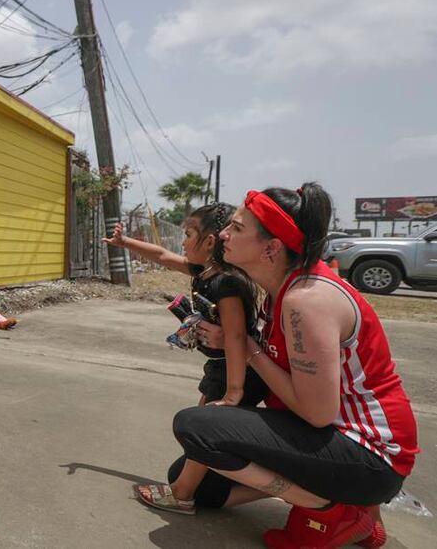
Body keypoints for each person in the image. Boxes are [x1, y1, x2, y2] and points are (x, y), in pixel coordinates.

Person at [172, 183, 418, 548]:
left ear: (271, 248)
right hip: (335, 439)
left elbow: (317, 413)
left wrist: (248, 348)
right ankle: (356, 508)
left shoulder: (307, 301)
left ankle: (330, 508)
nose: (223, 234)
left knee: (197, 428)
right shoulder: (281, 290)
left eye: (236, 228)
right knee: (200, 481)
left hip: (368, 454)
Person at [106, 204, 267, 514]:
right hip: (222, 369)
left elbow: (236, 338)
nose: (182, 241)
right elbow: (162, 256)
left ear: (209, 242)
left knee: (203, 435)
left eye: (189, 234)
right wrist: (124, 242)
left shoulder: (228, 283)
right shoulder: (204, 272)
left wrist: (234, 392)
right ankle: (191, 487)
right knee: (202, 433)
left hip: (237, 374)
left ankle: (182, 494)